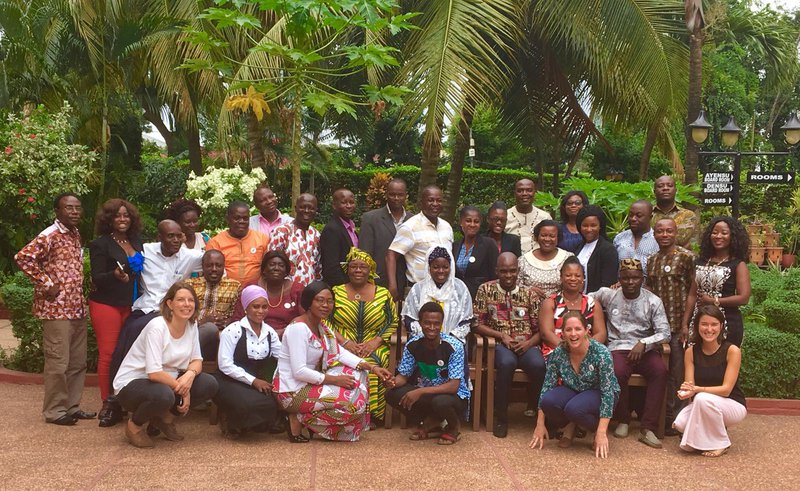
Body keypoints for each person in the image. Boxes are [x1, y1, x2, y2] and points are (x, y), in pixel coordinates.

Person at [274, 281, 392, 442]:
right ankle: (298, 418)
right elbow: (299, 371)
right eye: (320, 300)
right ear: (308, 302)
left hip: (312, 383)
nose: (325, 305)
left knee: (359, 374)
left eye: (330, 301)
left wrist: (372, 367)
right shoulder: (298, 328)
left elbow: (339, 353)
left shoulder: (322, 326)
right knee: (351, 406)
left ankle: (303, 417)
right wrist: (335, 380)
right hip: (291, 391)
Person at [108, 220, 204, 417]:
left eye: (179, 236)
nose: (176, 240)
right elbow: (121, 255)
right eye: (170, 236)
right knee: (128, 336)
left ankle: (165, 398)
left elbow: (214, 261)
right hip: (147, 309)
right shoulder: (145, 251)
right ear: (159, 237)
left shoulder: (189, 256)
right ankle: (114, 400)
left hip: (173, 309)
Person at [15, 193, 95, 425]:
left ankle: (71, 406)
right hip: (56, 310)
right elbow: (23, 258)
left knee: (77, 362)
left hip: (76, 308)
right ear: (57, 211)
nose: (74, 212)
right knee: (58, 362)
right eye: (68, 208)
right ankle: (55, 411)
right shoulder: (49, 234)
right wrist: (47, 283)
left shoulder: (75, 234)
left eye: (77, 208)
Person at [112, 282, 219, 448]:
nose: (186, 304)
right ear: (170, 303)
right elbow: (154, 373)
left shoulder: (191, 325)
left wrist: (189, 376)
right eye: (181, 300)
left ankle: (164, 420)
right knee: (164, 395)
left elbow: (197, 360)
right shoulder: (157, 327)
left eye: (191, 300)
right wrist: (183, 391)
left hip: (168, 380)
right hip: (133, 383)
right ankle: (134, 427)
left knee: (208, 383)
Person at [591, 259, 670, 449]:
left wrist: (644, 342)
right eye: (625, 278)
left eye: (635, 278)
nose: (630, 282)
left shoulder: (652, 300)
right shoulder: (608, 295)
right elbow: (583, 299)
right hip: (618, 346)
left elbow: (665, 332)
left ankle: (648, 427)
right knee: (616, 371)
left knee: (660, 371)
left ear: (642, 279)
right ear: (619, 278)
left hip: (644, 348)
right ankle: (623, 419)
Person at [473, 253, 545, 438]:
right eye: (503, 271)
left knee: (539, 365)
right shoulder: (485, 290)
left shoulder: (529, 294)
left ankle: (540, 414)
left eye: (512, 271)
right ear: (497, 270)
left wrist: (529, 343)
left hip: (527, 344)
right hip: (498, 344)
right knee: (506, 364)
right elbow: (476, 323)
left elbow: (541, 329)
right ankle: (501, 417)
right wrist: (501, 336)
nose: (508, 275)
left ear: (518, 271)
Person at [529, 311, 620, 458]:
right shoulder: (558, 352)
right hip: (574, 390)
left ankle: (595, 429)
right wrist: (540, 424)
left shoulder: (601, 353)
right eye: (568, 329)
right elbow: (547, 385)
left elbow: (607, 393)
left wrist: (602, 433)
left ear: (586, 330)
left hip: (599, 393)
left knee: (575, 409)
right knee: (548, 401)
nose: (573, 334)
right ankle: (571, 424)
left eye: (578, 329)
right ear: (562, 333)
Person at [88, 199, 144, 427]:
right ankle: (108, 402)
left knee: (129, 354)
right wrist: (114, 275)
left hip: (133, 304)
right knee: (109, 354)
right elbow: (96, 277)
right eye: (117, 216)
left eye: (126, 216)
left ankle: (124, 400)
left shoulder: (137, 241)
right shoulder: (100, 244)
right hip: (107, 304)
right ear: (109, 219)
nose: (122, 219)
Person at [384, 302, 471, 445]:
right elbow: (403, 376)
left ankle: (454, 427)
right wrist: (391, 382)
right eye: (427, 323)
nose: (432, 328)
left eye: (436, 324)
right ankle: (433, 423)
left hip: (453, 396)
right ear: (420, 323)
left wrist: (419, 392)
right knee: (392, 394)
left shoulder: (454, 346)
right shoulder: (413, 344)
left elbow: (453, 386)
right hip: (428, 393)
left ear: (442, 324)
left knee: (441, 402)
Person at [329, 248, 398, 425]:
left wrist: (376, 341)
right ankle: (342, 410)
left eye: (363, 267)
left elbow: (392, 321)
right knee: (339, 362)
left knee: (375, 363)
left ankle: (371, 415)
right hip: (341, 344)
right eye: (354, 266)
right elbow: (325, 321)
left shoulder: (383, 294)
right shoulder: (335, 293)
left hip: (374, 344)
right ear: (347, 269)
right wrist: (344, 342)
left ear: (371, 270)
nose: (358, 270)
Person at [673, 305, 746, 457]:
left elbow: (726, 390)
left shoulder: (732, 351)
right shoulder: (691, 352)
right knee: (680, 423)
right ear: (697, 326)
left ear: (721, 326)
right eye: (704, 324)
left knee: (701, 398)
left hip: (732, 405)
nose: (709, 329)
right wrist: (685, 392)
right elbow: (690, 386)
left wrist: (697, 390)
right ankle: (702, 440)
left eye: (714, 324)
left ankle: (722, 443)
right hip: (703, 402)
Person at [646, 217, 695, 435]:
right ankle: (663, 417)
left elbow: (693, 293)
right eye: (660, 231)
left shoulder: (687, 258)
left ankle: (678, 420)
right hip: (657, 327)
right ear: (654, 234)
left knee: (678, 373)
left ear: (676, 233)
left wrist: (686, 324)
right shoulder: (652, 260)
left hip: (678, 325)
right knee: (660, 373)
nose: (664, 235)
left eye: (669, 231)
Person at [214, 285, 282, 439]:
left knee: (271, 403)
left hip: (255, 381)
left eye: (264, 307)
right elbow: (225, 365)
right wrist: (254, 381)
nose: (260, 311)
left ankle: (250, 425)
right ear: (246, 308)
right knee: (246, 404)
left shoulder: (269, 332)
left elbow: (283, 356)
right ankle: (230, 422)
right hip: (228, 379)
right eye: (255, 306)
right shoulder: (233, 330)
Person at [683, 217, 751, 347]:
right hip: (699, 322)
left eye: (724, 233)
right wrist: (684, 324)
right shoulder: (701, 262)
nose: (718, 236)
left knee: (725, 363)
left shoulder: (738, 264)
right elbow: (692, 295)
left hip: (727, 323)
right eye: (714, 232)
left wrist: (713, 301)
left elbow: (744, 298)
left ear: (733, 236)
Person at [387, 185, 454, 301]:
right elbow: (391, 255)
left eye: (439, 200)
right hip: (418, 290)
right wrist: (392, 285)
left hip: (445, 291)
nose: (435, 204)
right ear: (421, 203)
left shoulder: (446, 227)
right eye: (430, 200)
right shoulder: (410, 227)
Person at [401, 246, 473, 344]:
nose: (441, 271)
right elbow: (409, 319)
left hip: (453, 343)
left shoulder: (460, 289)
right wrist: (428, 336)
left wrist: (448, 340)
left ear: (451, 267)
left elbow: (465, 321)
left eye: (445, 267)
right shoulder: (418, 289)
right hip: (423, 341)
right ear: (429, 267)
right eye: (436, 267)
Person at [538, 257, 607, 358]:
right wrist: (568, 350)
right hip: (558, 350)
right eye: (568, 275)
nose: (573, 278)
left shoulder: (593, 304)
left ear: (583, 279)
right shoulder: (550, 303)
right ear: (561, 278)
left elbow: (601, 333)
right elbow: (546, 333)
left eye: (578, 275)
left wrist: (585, 348)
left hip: (588, 351)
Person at [232, 250, 304, 337]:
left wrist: (285, 332)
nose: (276, 268)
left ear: (286, 271)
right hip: (253, 336)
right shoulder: (252, 287)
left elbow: (305, 319)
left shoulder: (297, 289)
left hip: (288, 337)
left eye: (281, 265)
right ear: (264, 269)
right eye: (272, 264)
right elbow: (238, 318)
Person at [359, 177, 413, 290]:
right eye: (392, 194)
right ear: (386, 194)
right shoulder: (370, 219)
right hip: (378, 283)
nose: (396, 198)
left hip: (407, 283)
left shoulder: (413, 220)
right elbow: (365, 254)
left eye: (400, 195)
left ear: (406, 195)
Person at [186, 250, 241, 360]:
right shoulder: (190, 285)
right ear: (202, 267)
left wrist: (225, 323)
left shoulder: (235, 286)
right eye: (209, 265)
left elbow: (237, 315)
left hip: (224, 334)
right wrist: (202, 321)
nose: (214, 269)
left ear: (224, 267)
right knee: (209, 328)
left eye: (218, 265)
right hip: (192, 330)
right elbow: (180, 315)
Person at [206, 201, 269, 285]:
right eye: (237, 218)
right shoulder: (215, 242)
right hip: (225, 291)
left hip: (256, 292)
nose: (241, 221)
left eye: (245, 218)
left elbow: (268, 268)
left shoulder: (262, 239)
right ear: (227, 219)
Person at [270, 193, 321, 286]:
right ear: (295, 208)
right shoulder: (282, 232)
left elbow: (318, 267)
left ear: (316, 210)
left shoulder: (316, 235)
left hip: (310, 292)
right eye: (302, 207)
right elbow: (271, 264)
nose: (306, 211)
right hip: (286, 291)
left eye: (311, 208)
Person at [518, 219, 574, 298]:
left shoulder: (568, 258)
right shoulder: (523, 260)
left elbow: (575, 283)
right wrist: (528, 290)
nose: (547, 239)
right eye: (543, 235)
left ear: (558, 238)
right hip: (529, 306)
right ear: (537, 237)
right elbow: (515, 287)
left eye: (552, 236)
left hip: (560, 306)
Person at [453, 206, 498, 299]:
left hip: (481, 299)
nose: (472, 224)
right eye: (468, 221)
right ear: (461, 222)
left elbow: (495, 276)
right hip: (458, 297)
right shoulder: (455, 246)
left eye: (476, 221)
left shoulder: (488, 244)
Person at [574, 205, 618, 293]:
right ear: (580, 227)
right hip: (578, 300)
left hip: (596, 302)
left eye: (593, 225)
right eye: (585, 225)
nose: (589, 229)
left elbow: (608, 283)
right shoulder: (578, 247)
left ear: (600, 226)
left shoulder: (608, 249)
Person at [320, 188, 359, 287]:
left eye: (351, 202)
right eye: (344, 203)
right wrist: (345, 289)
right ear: (334, 205)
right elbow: (331, 267)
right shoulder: (332, 229)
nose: (349, 206)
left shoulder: (351, 228)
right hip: (340, 289)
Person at [505, 178, 552, 254]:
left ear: (534, 193)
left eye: (529, 190)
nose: (524, 194)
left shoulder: (545, 217)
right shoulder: (506, 216)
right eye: (520, 191)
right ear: (515, 193)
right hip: (511, 263)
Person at [613, 200, 659, 277]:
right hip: (621, 287)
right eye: (631, 215)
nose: (633, 219)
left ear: (650, 217)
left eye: (639, 216)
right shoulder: (619, 238)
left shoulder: (657, 240)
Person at [652, 175, 699, 248]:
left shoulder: (688, 215)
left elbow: (683, 240)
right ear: (654, 191)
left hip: (682, 257)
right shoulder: (646, 215)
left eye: (669, 185)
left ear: (675, 190)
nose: (665, 188)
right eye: (660, 186)